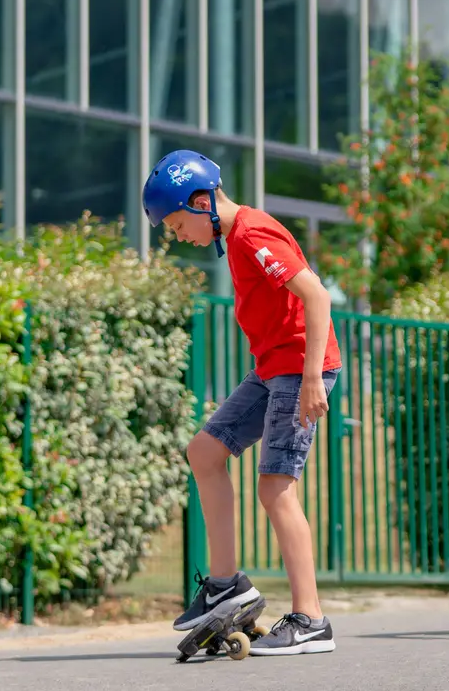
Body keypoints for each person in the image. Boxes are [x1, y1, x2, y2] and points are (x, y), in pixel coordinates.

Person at [146, 151, 343, 656]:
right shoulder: (234, 237)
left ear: (200, 201)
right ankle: (225, 584)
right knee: (204, 452)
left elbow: (316, 296)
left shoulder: (253, 234)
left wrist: (311, 379)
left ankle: (311, 619)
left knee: (276, 487)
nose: (177, 234)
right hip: (271, 370)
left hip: (298, 368)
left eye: (175, 223)